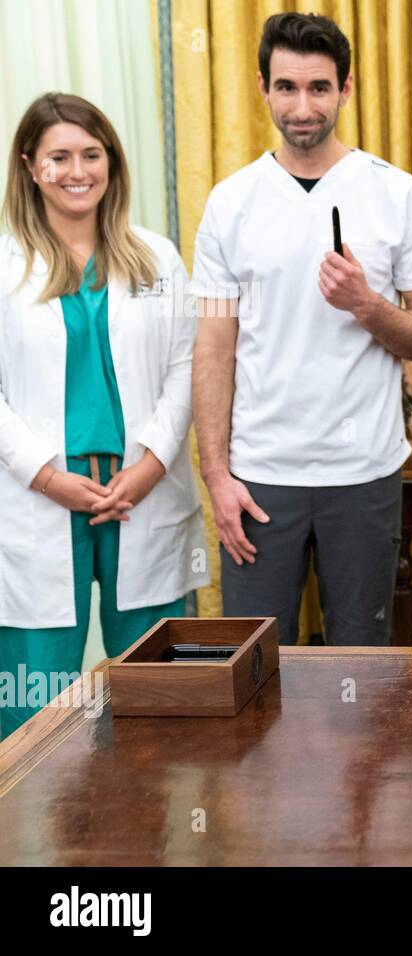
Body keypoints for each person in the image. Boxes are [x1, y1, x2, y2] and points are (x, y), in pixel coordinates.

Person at [190, 12, 412, 646]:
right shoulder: (232, 201)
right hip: (259, 477)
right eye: (286, 87)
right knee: (251, 668)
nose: (302, 106)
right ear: (264, 88)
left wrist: (368, 304)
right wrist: (218, 476)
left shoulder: (399, 195)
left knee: (359, 667)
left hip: (362, 473)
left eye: (318, 88)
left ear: (346, 89)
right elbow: (214, 349)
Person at [0, 93, 208, 738]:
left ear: (112, 164)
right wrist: (43, 475)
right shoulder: (5, 263)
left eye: (92, 154)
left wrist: (149, 466)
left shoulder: (155, 258)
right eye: (58, 156)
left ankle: (145, 831)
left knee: (156, 698)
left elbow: (186, 366)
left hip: (139, 495)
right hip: (40, 500)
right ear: (31, 166)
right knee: (34, 703)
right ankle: (30, 836)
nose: (76, 171)